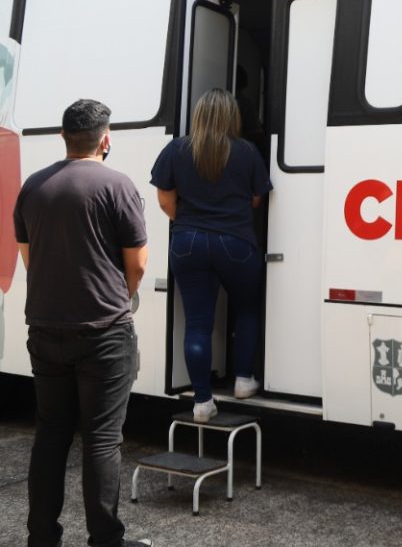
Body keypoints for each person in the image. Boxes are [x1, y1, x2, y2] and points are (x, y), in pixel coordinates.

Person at [13, 99, 150, 547]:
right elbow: (137, 265)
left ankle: (41, 537)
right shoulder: (117, 186)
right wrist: (118, 296)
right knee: (102, 439)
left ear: (63, 137)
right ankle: (105, 540)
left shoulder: (33, 187)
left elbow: (30, 258)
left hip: (45, 328)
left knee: (51, 433)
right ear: (105, 139)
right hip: (104, 332)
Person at [150, 88, 271, 422]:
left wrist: (192, 221)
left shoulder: (176, 149)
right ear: (233, 116)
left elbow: (165, 200)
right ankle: (243, 380)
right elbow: (257, 199)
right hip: (236, 242)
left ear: (198, 115)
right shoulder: (247, 151)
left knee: (198, 323)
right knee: (246, 309)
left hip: (188, 241)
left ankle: (202, 402)